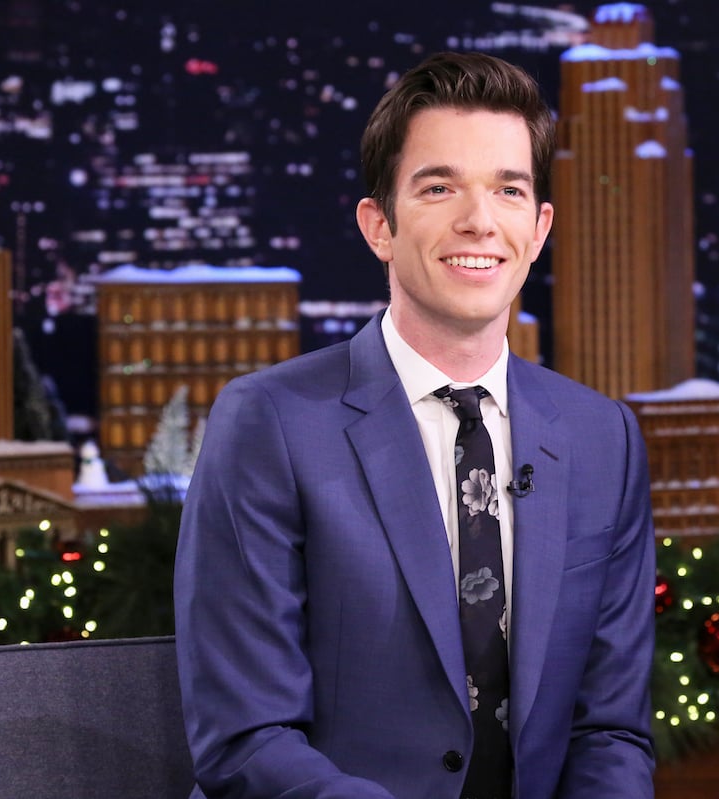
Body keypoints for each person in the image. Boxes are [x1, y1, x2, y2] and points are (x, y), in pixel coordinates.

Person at [174, 51, 656, 799]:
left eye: (509, 189)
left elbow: (610, 730)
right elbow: (247, 738)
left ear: (539, 227)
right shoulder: (268, 423)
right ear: (380, 226)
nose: (479, 220)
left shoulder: (605, 440)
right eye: (439, 187)